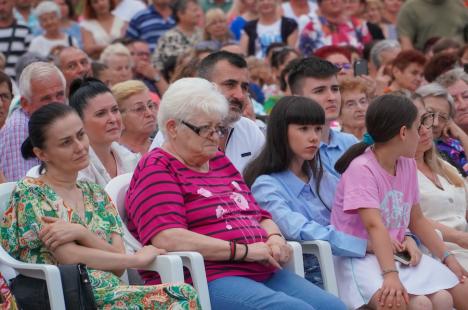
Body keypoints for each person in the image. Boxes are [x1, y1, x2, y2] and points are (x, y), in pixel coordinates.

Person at [126, 77, 346, 310]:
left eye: (218, 128)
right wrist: (243, 252)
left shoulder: (218, 160)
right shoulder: (159, 167)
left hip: (261, 267)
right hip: (205, 276)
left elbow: (258, 214)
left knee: (333, 306)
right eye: (205, 129)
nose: (215, 136)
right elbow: (168, 237)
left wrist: (274, 238)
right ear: (172, 128)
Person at [0, 102, 201, 309]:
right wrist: (136, 260)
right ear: (42, 154)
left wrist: (82, 233)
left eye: (80, 135)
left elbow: (116, 264)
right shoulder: (32, 191)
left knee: (182, 294)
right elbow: (69, 256)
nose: (79, 147)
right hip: (66, 295)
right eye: (66, 143)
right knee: (181, 296)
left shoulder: (95, 194)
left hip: (108, 292)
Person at [331, 94, 468, 310]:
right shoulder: (362, 169)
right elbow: (374, 226)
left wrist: (448, 257)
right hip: (361, 258)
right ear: (404, 133)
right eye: (418, 126)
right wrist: (390, 275)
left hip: (400, 255)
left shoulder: (406, 164)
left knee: (450, 296)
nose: (424, 132)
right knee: (419, 304)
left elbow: (417, 220)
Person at [246, 96, 367, 287]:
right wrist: (362, 245)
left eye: (318, 128)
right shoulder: (265, 185)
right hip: (313, 271)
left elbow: (359, 211)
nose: (314, 137)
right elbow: (299, 230)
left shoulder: (322, 175)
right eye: (304, 129)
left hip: (348, 260)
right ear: (280, 132)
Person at [150, 51, 265, 173]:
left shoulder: (250, 130)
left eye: (244, 87)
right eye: (230, 84)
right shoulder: (176, 132)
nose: (240, 95)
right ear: (205, 85)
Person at [413, 93, 468, 270]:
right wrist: (459, 237)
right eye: (416, 125)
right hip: (438, 254)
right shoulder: (397, 172)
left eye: (426, 119)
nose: (426, 129)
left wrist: (459, 132)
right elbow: (412, 219)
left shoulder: (444, 166)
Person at [288, 56, 358, 178]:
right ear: (297, 98)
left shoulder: (350, 143)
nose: (332, 97)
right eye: (319, 91)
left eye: (335, 89)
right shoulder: (292, 151)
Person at [0, 62, 66, 182]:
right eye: (46, 98)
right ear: (25, 104)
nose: (56, 103)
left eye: (60, 95)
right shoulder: (19, 128)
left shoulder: (62, 122)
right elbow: (23, 191)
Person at [69, 78, 140, 187]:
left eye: (115, 110)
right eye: (101, 114)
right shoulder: (77, 171)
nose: (113, 119)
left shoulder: (130, 158)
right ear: (79, 121)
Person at [416, 82, 468, 177]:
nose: (435, 123)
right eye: (429, 113)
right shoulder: (403, 149)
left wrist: (462, 136)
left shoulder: (449, 149)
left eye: (442, 117)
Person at [299, 0, 371, 56]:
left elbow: (367, 52)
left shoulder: (359, 25)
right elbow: (304, 55)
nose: (334, 1)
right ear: (319, 4)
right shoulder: (312, 27)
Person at [397, 0, 468, 51]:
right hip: (427, 63)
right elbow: (406, 45)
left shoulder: (460, 5)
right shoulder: (410, 8)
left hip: (458, 63)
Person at [152, 0, 203, 70]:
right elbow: (157, 65)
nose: (198, 14)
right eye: (194, 10)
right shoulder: (169, 37)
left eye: (198, 10)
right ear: (180, 14)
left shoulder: (204, 33)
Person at [112, 80, 157, 155]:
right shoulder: (114, 154)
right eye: (139, 109)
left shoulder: (163, 144)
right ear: (119, 117)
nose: (149, 113)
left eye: (150, 106)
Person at [0, 0, 32, 80]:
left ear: (13, 3)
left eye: (4, 3)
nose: (1, 8)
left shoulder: (25, 30)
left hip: (18, 84)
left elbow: (29, 61)